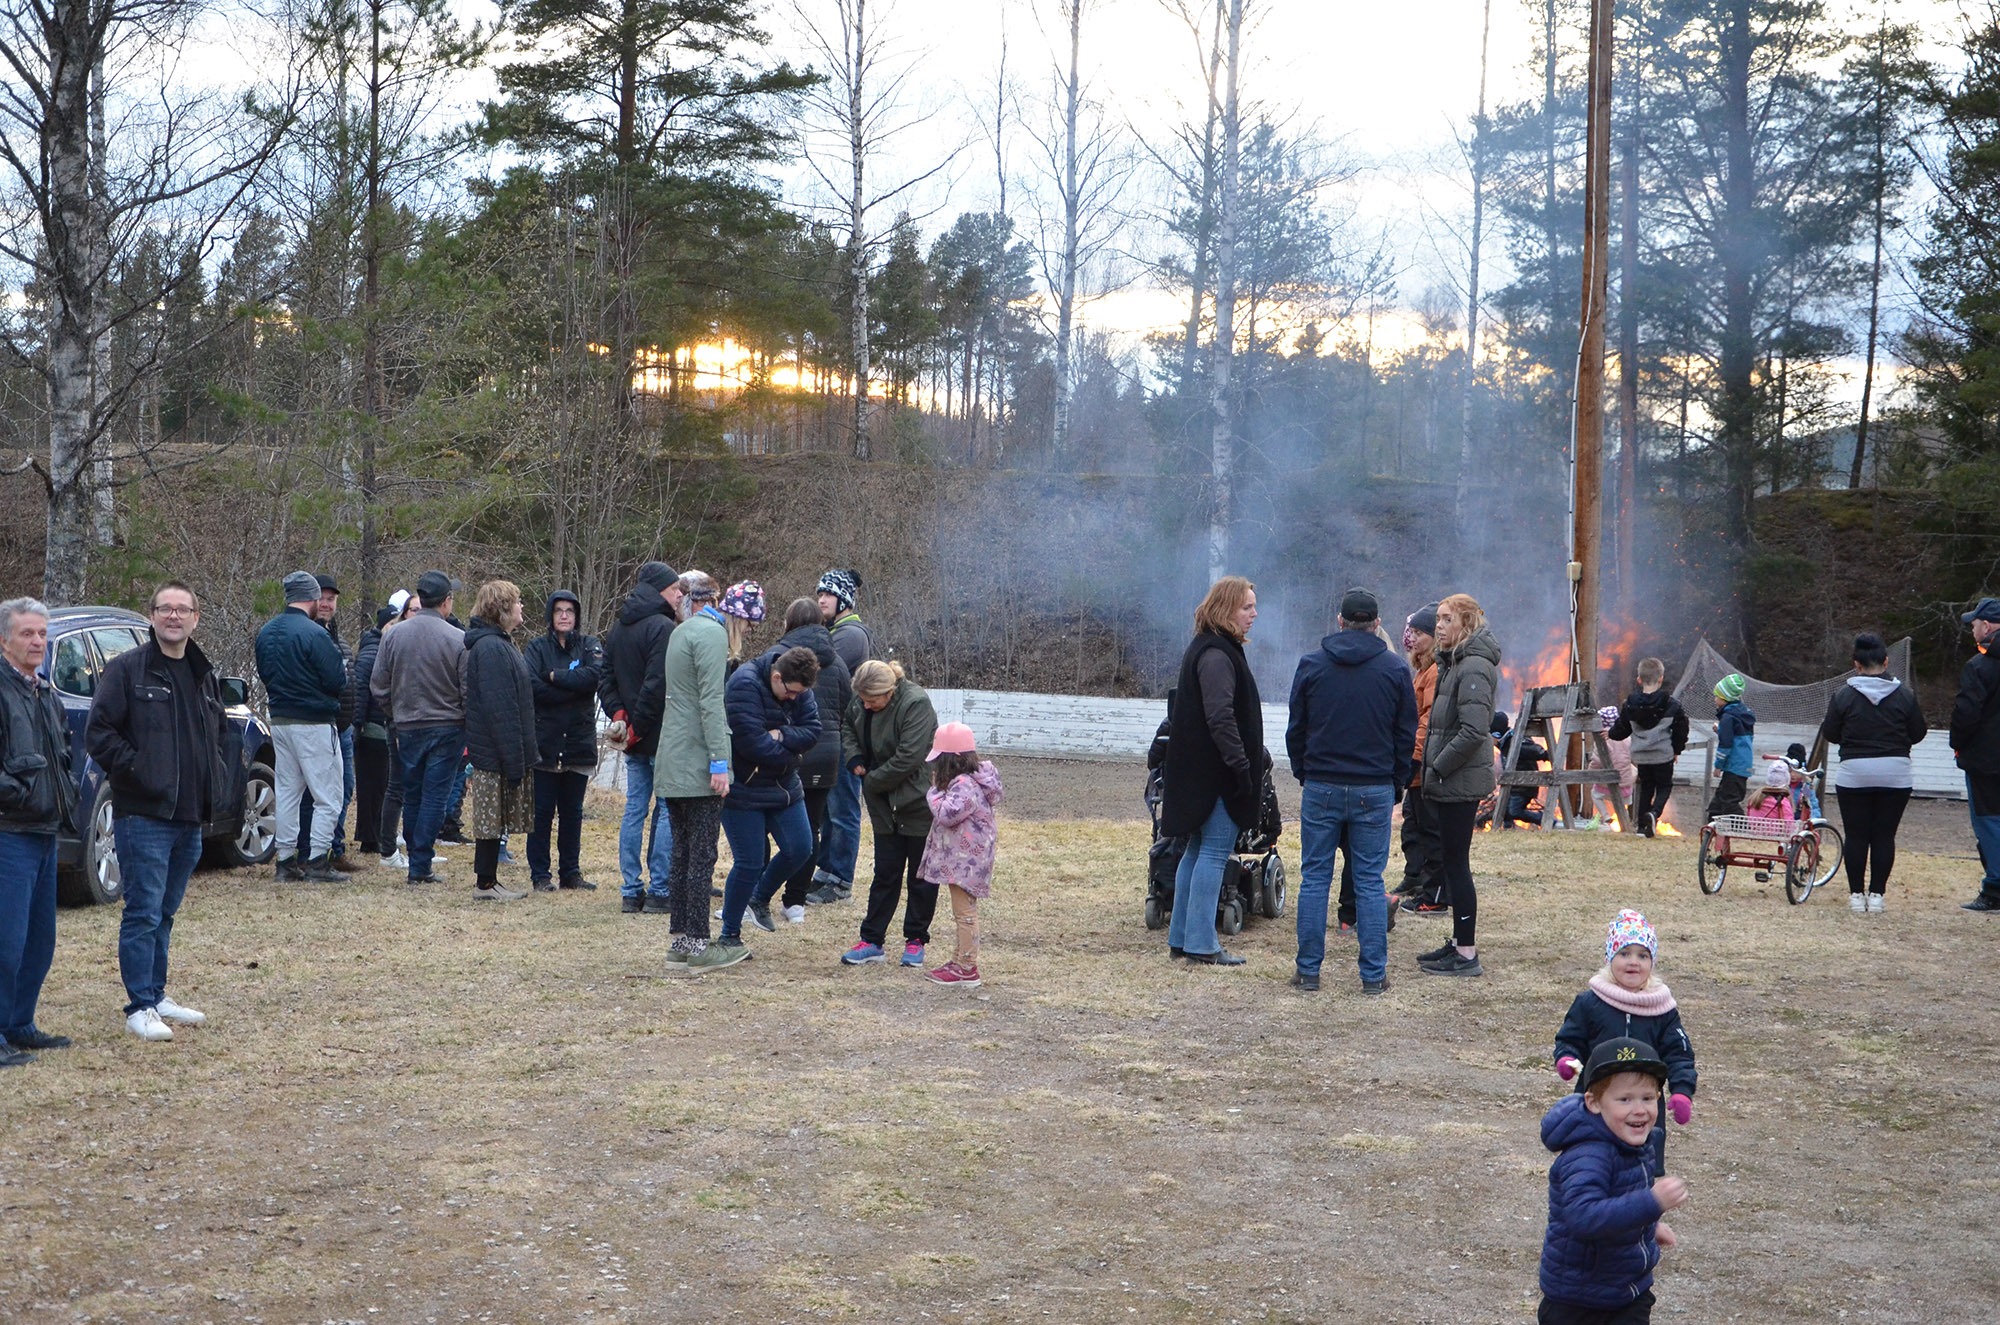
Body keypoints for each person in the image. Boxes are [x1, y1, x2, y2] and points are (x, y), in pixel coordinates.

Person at [86, 581, 234, 1042]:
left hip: (189, 816)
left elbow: (216, 735)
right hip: (144, 814)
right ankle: (139, 1005)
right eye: (165, 609)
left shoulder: (202, 674)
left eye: (182, 609)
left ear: (195, 618)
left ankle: (157, 991)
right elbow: (100, 733)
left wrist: (220, 781)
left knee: (166, 911)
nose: (173, 616)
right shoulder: (127, 669)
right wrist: (139, 771)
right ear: (151, 616)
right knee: (143, 911)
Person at [1285, 588, 1417, 996]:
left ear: (1340, 622)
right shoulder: (1395, 670)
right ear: (1376, 625)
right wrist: (1395, 782)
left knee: (1314, 879)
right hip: (1373, 787)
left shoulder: (1311, 665)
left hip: (1322, 784)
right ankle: (1373, 976)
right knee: (1369, 881)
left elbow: (1296, 730)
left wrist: (1306, 772)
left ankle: (1308, 972)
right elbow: (1404, 735)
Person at [1538, 1037, 1689, 1325]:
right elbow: (1583, 1216)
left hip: (1628, 1291)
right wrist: (1651, 1202)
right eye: (1625, 1099)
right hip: (1579, 1302)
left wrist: (1650, 1224)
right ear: (1594, 1103)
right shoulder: (1588, 1155)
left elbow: (1620, 1198)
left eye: (1648, 1097)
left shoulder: (1635, 1143)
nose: (1640, 1109)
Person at [1160, 575, 1266, 968]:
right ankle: (1202, 943)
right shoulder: (1218, 655)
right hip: (1215, 776)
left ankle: (1182, 938)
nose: (1254, 614)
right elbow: (1221, 718)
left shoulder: (1210, 648)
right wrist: (1240, 766)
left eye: (1254, 606)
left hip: (1199, 775)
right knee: (1214, 853)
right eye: (1246, 607)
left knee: (1196, 850)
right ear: (1226, 609)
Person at [1551, 910, 1697, 1180]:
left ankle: (1640, 1215)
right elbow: (1569, 1039)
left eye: (1643, 955)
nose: (1634, 962)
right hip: (1596, 1102)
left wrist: (1682, 1090)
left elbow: (1679, 1054)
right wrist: (1567, 1059)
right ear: (1610, 958)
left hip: (1643, 1105)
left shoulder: (1662, 1008)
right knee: (1591, 1166)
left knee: (1640, 1173)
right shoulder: (1590, 1002)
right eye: (1624, 953)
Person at [0, 598, 76, 1068]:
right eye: (27, 633)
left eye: (42, 634)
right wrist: (20, 796)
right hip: (10, 831)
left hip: (45, 832)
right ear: (4, 639)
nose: (37, 642)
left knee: (37, 939)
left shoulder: (44, 691)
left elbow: (61, 757)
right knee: (5, 941)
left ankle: (19, 1023)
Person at [716, 643, 822, 954]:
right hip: (743, 790)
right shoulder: (744, 685)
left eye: (798, 695)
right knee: (749, 862)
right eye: (790, 693)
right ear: (776, 677)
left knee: (802, 847)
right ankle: (729, 936)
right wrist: (792, 746)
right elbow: (753, 744)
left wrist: (782, 735)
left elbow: (813, 731)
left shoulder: (800, 688)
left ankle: (759, 899)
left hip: (785, 786)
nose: (793, 698)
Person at [839, 659, 941, 967]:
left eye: (872, 701)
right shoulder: (861, 702)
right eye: (863, 700)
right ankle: (872, 940)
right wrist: (854, 757)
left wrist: (870, 780)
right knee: (885, 874)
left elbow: (910, 757)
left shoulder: (915, 703)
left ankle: (915, 940)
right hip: (882, 804)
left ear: (890, 691)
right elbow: (847, 726)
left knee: (920, 877)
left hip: (916, 801)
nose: (866, 706)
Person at [1816, 633, 1926, 914]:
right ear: (1886, 661)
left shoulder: (1843, 695)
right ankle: (1877, 896)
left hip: (1855, 772)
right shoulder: (1905, 695)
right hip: (1895, 772)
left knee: (1856, 836)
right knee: (1883, 836)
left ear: (1856, 665)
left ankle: (1856, 896)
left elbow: (1831, 733)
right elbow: (1918, 733)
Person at [1419, 592, 1499, 977]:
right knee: (1451, 864)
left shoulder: (1474, 668)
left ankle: (1466, 954)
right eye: (1438, 618)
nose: (1439, 625)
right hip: (1449, 780)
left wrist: (1437, 766)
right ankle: (1457, 942)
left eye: (1447, 618)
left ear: (1466, 624)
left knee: (1457, 864)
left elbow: (1472, 731)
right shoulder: (1453, 662)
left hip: (1458, 782)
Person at [657, 572, 735, 968]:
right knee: (701, 855)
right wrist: (719, 761)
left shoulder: (680, 633)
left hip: (673, 759)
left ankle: (680, 942)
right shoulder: (710, 633)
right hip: (697, 763)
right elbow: (711, 702)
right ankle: (699, 944)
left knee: (683, 853)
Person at [369, 570, 466, 885]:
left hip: (406, 726)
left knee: (411, 794)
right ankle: (420, 864)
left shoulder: (394, 635)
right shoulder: (457, 639)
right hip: (447, 727)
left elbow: (378, 684)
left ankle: (416, 861)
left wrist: (395, 713)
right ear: (446, 601)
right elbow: (467, 690)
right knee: (435, 795)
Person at [255, 570, 347, 882]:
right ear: (310, 597)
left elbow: (265, 673)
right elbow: (337, 680)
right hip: (314, 722)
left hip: (279, 721)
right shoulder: (314, 634)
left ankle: (285, 860)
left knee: (287, 792)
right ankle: (319, 860)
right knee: (328, 794)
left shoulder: (266, 632)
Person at [598, 562, 680, 914]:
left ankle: (631, 890)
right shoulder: (663, 628)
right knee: (663, 810)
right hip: (656, 735)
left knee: (634, 809)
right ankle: (659, 889)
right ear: (661, 589)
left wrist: (619, 716)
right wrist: (637, 728)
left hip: (633, 734)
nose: (680, 595)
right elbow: (656, 685)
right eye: (676, 589)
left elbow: (606, 679)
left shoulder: (618, 628)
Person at [774, 597, 852, 924]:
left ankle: (759, 892)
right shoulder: (837, 661)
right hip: (828, 753)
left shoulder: (778, 657)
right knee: (812, 828)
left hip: (789, 750)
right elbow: (848, 706)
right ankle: (796, 901)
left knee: (772, 824)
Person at [459, 581, 538, 902]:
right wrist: (513, 759)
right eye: (517, 603)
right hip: (494, 753)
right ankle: (485, 884)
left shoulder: (498, 643)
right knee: (490, 820)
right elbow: (500, 709)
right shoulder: (491, 648)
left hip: (498, 751)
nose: (521, 608)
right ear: (502, 609)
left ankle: (489, 881)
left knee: (495, 819)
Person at [525, 590, 605, 893]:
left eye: (569, 610)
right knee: (542, 813)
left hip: (578, 741)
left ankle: (570, 873)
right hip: (545, 741)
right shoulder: (536, 648)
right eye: (558, 610)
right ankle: (540, 875)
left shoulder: (589, 645)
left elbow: (594, 677)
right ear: (550, 614)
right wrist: (571, 690)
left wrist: (555, 677)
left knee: (572, 812)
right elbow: (532, 685)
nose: (564, 615)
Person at [920, 723, 1003, 988]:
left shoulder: (963, 785)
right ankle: (958, 961)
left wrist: (934, 791)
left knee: (965, 913)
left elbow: (947, 814)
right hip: (965, 859)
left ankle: (966, 967)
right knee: (962, 911)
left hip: (966, 862)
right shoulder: (969, 781)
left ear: (952, 760)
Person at [808, 568, 872, 904]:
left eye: (829, 594)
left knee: (844, 809)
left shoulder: (850, 635)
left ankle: (842, 880)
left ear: (844, 600)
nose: (821, 599)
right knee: (831, 808)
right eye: (819, 593)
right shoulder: (835, 631)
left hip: (848, 736)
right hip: (836, 733)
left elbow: (816, 673)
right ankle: (825, 871)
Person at [296, 574, 363, 873]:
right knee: (315, 795)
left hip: (343, 729)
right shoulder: (307, 635)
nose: (326, 604)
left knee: (344, 790)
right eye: (321, 598)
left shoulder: (338, 637)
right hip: (317, 727)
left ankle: (334, 848)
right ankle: (310, 852)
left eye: (332, 599)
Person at [1396, 603, 1446, 914]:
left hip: (1424, 767)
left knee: (1430, 832)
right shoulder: (1421, 670)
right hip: (1417, 768)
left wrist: (1414, 757)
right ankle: (1417, 880)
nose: (1411, 638)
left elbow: (1427, 719)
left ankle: (1435, 896)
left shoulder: (1435, 672)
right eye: (1411, 631)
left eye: (1418, 633)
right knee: (1413, 826)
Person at [1951, 597, 2000, 912]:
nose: (1972, 628)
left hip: (1985, 760)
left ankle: (1995, 887)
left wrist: (1958, 744)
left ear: (1989, 626)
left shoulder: (1979, 665)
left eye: (1975, 623)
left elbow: (1966, 714)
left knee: (1989, 822)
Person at [1610, 659, 1689, 837]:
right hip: (1663, 755)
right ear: (1661, 678)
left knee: (1646, 787)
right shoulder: (1671, 704)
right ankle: (1653, 814)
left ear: (1639, 679)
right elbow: (1681, 730)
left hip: (1641, 756)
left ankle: (1640, 828)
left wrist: (1611, 732)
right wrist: (1677, 750)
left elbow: (1620, 731)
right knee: (1664, 787)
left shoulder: (1630, 703)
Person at [350, 603, 395, 860]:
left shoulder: (379, 650)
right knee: (372, 789)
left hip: (378, 729)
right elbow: (360, 692)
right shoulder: (371, 654)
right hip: (371, 731)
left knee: (379, 787)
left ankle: (374, 835)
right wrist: (358, 725)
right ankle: (369, 838)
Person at [1705, 673, 1755, 821]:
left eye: (1717, 696)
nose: (1715, 699)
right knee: (1718, 801)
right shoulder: (1741, 714)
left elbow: (1726, 744)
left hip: (1733, 766)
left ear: (1726, 698)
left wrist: (1718, 766)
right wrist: (1720, 730)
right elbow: (1738, 737)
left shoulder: (1727, 718)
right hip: (1743, 766)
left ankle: (1743, 828)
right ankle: (1711, 828)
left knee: (1729, 802)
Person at [1494, 710, 1548, 827]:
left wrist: (1545, 754)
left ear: (1496, 734)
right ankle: (1508, 829)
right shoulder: (1505, 743)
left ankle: (1546, 819)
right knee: (1504, 809)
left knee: (1515, 811)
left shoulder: (1516, 742)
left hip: (1525, 785)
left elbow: (1535, 750)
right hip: (1513, 785)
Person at [719, 580, 765, 673]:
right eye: (750, 625)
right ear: (738, 619)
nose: (749, 631)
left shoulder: (725, 645)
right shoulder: (717, 642)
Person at [1743, 760, 1795, 827]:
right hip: (1776, 835)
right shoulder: (1783, 801)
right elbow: (1789, 825)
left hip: (1755, 833)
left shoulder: (1755, 797)